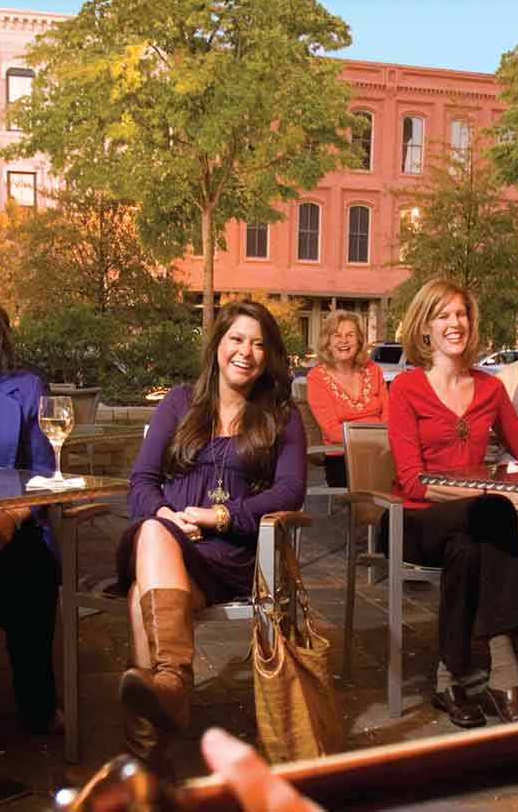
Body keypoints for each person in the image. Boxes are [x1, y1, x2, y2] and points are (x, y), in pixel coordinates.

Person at [116, 300, 307, 767]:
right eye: (237, 339)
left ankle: (147, 756)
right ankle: (173, 681)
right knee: (155, 532)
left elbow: (290, 491)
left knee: (144, 590)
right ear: (218, 345)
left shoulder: (281, 414)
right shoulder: (180, 401)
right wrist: (170, 515)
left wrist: (217, 517)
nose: (247, 351)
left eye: (259, 343)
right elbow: (141, 481)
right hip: (168, 541)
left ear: (270, 355)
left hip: (234, 556)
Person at [387, 278, 518, 728]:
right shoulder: (406, 389)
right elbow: (413, 482)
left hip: (472, 528)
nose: (456, 323)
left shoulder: (491, 389)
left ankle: (449, 679)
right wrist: (495, 494)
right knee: (490, 513)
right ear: (426, 328)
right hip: (414, 522)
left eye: (462, 314)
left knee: (472, 545)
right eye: (444, 315)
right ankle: (509, 671)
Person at [0, 306, 61, 735]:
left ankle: (36, 700)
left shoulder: (26, 388)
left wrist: (11, 515)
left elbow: (43, 474)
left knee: (29, 567)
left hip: (14, 522)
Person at [304, 310, 387, 487]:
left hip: (382, 453)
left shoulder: (374, 370)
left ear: (359, 341)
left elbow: (389, 417)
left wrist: (383, 442)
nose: (344, 341)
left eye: (350, 335)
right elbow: (333, 431)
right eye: (337, 335)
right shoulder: (316, 378)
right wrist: (376, 438)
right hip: (343, 458)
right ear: (328, 342)